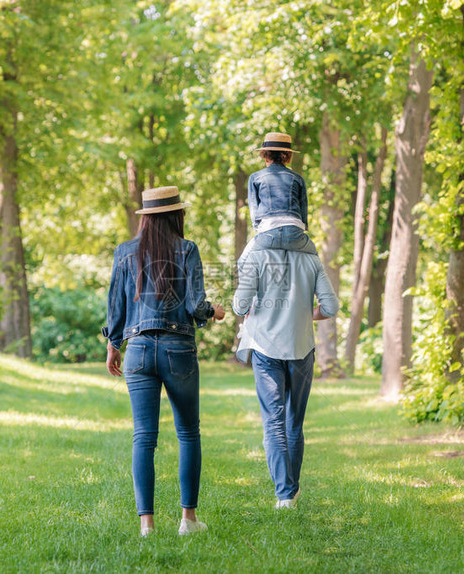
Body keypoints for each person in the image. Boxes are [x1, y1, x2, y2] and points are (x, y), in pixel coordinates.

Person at [103, 186, 225, 537]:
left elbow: (116, 306)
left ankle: (147, 526)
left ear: (146, 218)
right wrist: (213, 312)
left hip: (138, 350)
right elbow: (195, 305)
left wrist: (114, 344)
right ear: (176, 215)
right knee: (188, 433)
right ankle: (188, 520)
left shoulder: (124, 252)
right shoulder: (187, 250)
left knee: (144, 437)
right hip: (178, 350)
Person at [232, 232, 338, 508]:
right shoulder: (311, 259)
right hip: (302, 348)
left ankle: (284, 494)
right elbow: (331, 306)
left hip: (266, 349)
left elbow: (239, 305)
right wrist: (305, 313)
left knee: (273, 422)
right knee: (294, 422)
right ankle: (291, 489)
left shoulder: (256, 256)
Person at [240, 132, 317, 267]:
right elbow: (303, 210)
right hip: (295, 235)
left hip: (268, 234)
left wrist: (259, 228)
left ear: (265, 156)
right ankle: (320, 288)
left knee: (242, 263)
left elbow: (254, 209)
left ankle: (246, 288)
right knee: (316, 263)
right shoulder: (298, 179)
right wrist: (302, 228)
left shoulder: (255, 177)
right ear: (288, 157)